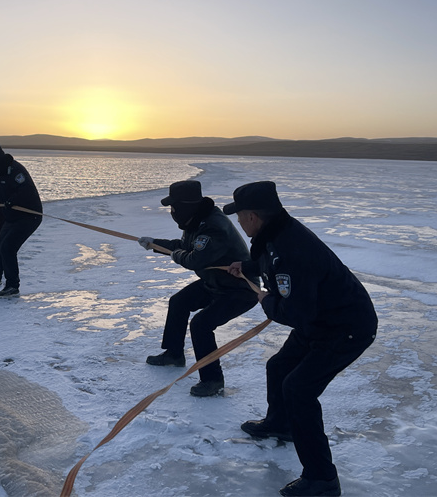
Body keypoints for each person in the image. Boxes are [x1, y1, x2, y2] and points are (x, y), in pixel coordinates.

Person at [224, 181, 378, 497]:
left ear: (252, 216)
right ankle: (280, 425)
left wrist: (266, 302)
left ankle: (322, 480)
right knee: (279, 367)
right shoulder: (276, 234)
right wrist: (248, 266)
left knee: (299, 390)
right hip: (321, 321)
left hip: (346, 328)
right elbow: (272, 261)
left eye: (239, 216)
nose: (238, 222)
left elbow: (294, 312)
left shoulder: (292, 248)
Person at [138, 180, 258, 397]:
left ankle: (213, 380)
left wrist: (175, 255)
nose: (172, 211)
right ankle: (174, 354)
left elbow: (195, 259)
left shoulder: (213, 226)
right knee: (179, 302)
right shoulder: (196, 220)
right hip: (215, 282)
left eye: (174, 206)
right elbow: (184, 247)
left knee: (201, 325)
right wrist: (155, 243)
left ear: (185, 205)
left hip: (239, 289)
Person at [0, 141, 42, 298]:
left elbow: (25, 192)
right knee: (0, 242)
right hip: (12, 216)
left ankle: (12, 286)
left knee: (8, 248)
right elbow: (2, 192)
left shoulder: (16, 171)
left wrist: (11, 201)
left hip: (29, 216)